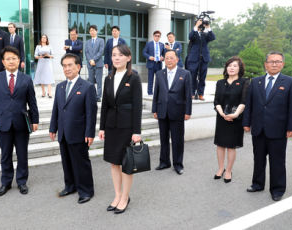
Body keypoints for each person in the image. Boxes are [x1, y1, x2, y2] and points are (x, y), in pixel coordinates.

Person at [243, 51, 292, 202]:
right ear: (265, 64)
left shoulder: (290, 82)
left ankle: (277, 189)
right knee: (258, 159)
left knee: (277, 161)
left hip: (278, 130)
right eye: (271, 61)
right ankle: (257, 184)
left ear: (283, 64)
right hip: (258, 128)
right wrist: (246, 123)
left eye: (278, 61)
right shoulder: (255, 82)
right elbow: (249, 105)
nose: (274, 64)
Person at [0, 46, 39, 196]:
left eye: (14, 58)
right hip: (3, 122)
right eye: (8, 59)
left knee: (22, 154)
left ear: (19, 61)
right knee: (5, 154)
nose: (11, 61)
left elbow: (32, 101)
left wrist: (35, 120)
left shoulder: (26, 79)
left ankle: (22, 182)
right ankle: (6, 182)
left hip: (22, 122)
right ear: (3, 62)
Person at [99, 44, 142, 214]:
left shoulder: (134, 78)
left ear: (128, 58)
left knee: (126, 164)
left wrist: (136, 131)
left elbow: (137, 106)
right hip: (111, 126)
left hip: (126, 127)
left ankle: (125, 197)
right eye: (114, 55)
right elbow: (104, 105)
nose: (116, 58)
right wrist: (102, 127)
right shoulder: (108, 78)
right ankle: (117, 195)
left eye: (120, 55)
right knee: (113, 163)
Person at [49, 53, 97, 204]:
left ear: (78, 67)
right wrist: (53, 127)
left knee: (81, 163)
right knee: (66, 161)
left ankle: (86, 190)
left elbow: (91, 113)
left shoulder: (87, 87)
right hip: (63, 132)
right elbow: (56, 109)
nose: (67, 68)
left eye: (70, 65)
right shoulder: (60, 86)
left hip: (79, 132)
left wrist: (90, 133)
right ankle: (70, 185)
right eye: (64, 66)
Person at [152, 50, 192, 175]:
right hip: (162, 111)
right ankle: (164, 162)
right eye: (167, 58)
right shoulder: (159, 74)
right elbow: (156, 93)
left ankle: (178, 164)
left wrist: (188, 111)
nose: (169, 60)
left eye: (171, 58)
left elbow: (188, 95)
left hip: (178, 111)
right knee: (163, 138)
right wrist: (154, 109)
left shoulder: (185, 74)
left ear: (177, 59)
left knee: (177, 140)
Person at [213, 57, 249, 183]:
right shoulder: (220, 83)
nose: (231, 68)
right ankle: (220, 168)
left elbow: (244, 101)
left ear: (240, 68)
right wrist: (222, 113)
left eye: (234, 66)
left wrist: (235, 114)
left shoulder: (244, 82)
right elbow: (216, 101)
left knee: (231, 146)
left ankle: (228, 170)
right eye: (229, 65)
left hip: (236, 119)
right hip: (222, 117)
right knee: (220, 145)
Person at [186, 19, 215, 100]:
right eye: (200, 24)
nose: (201, 25)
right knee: (193, 76)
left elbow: (212, 37)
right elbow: (190, 36)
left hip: (204, 58)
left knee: (202, 77)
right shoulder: (194, 33)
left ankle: (200, 94)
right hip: (194, 58)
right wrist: (196, 26)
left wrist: (208, 27)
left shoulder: (205, 34)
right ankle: (192, 92)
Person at [85, 25, 104, 102]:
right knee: (91, 81)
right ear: (89, 32)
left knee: (99, 81)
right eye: (90, 30)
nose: (92, 32)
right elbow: (86, 53)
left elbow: (101, 51)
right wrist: (90, 60)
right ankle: (92, 95)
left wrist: (94, 60)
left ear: (96, 31)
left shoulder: (101, 40)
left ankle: (98, 96)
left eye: (93, 30)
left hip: (98, 64)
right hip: (90, 64)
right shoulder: (87, 42)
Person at [143, 30, 165, 95]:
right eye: (156, 36)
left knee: (159, 80)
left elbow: (164, 54)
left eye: (158, 36)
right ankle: (150, 93)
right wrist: (149, 57)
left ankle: (158, 93)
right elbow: (144, 52)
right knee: (150, 80)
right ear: (153, 36)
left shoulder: (162, 45)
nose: (157, 37)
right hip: (151, 64)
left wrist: (163, 58)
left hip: (158, 64)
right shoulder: (149, 44)